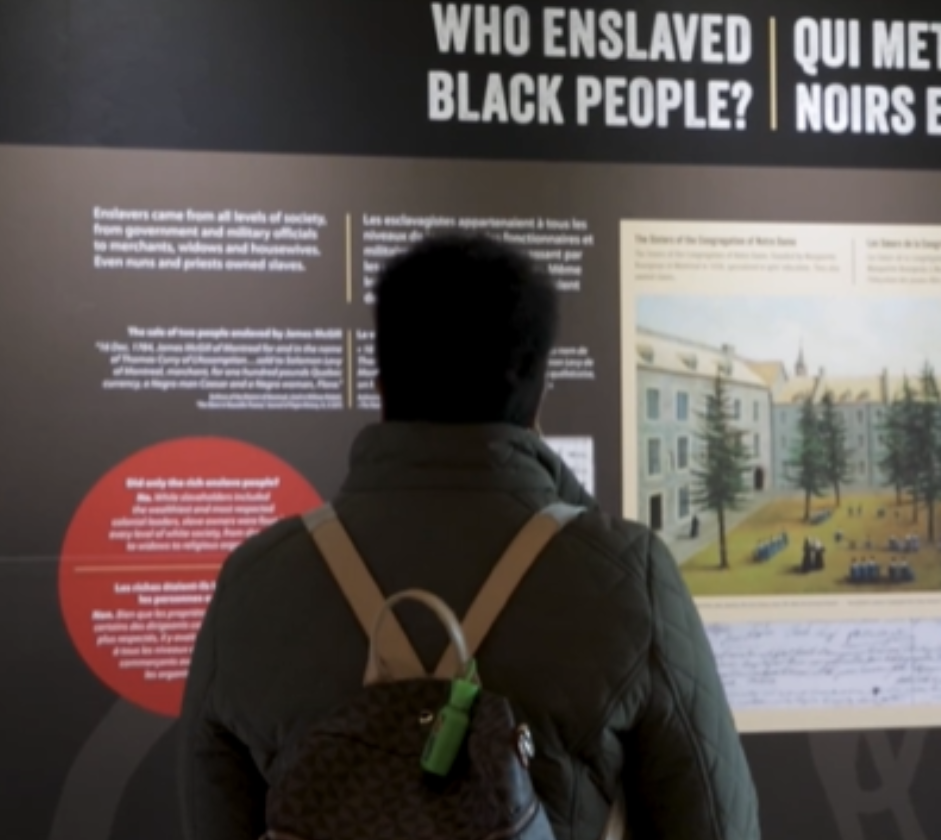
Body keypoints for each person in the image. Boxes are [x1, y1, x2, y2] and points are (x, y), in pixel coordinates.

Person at [177, 233, 760, 840]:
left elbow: (211, 816)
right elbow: (718, 826)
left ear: (382, 385)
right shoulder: (629, 575)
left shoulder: (253, 581)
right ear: (538, 390)